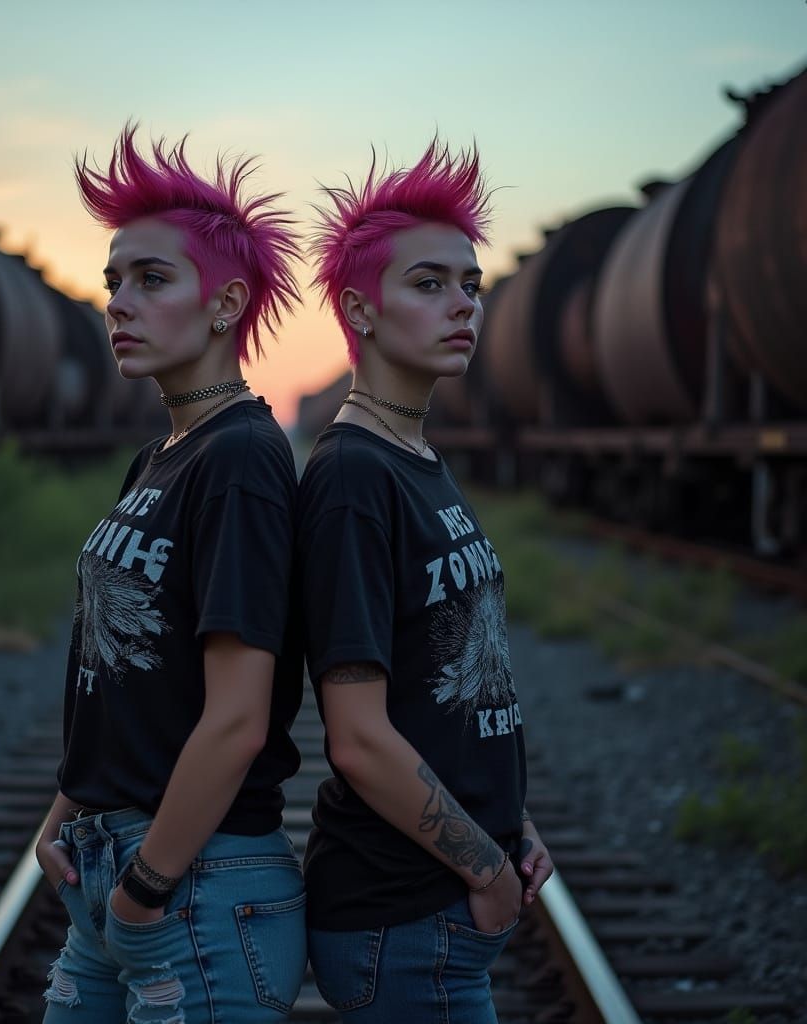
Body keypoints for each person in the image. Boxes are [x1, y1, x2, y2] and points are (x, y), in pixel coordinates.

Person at [36, 123, 306, 1024]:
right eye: (113, 279)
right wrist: (62, 813)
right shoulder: (164, 456)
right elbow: (124, 664)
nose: (117, 301)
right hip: (118, 871)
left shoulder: (241, 459)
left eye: (151, 279)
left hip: (197, 885)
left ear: (226, 304)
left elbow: (237, 716)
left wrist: (145, 887)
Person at [297, 139, 554, 1024]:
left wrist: (508, 822)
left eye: (471, 287)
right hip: (399, 917)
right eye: (429, 284)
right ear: (359, 311)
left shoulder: (418, 461)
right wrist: (485, 871)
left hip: (434, 896)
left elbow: (449, 683)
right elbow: (359, 737)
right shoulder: (352, 479)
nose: (463, 308)